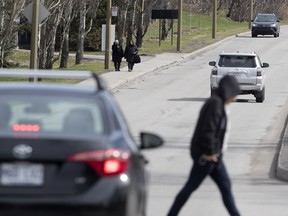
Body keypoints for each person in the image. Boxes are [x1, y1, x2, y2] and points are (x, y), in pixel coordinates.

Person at [167, 75, 241, 216]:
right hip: (206, 157)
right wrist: (210, 152)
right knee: (190, 188)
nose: (236, 97)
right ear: (229, 91)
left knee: (226, 188)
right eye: (235, 93)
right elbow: (209, 130)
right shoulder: (215, 105)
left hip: (215, 156)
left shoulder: (219, 104)